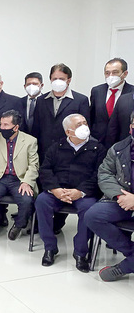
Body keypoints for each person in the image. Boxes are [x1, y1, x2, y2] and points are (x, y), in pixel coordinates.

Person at [35, 114, 105, 271]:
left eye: (85, 123)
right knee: (41, 201)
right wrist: (55, 189)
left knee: (89, 209)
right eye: (79, 125)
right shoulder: (56, 147)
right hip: (58, 190)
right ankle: (50, 247)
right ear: (68, 132)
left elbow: (100, 174)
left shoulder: (98, 148)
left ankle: (80, 253)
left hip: (83, 193)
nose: (84, 127)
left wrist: (80, 191)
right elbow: (45, 170)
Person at [84, 111, 134, 282]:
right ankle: (131, 254)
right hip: (121, 199)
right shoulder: (118, 148)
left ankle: (126, 266)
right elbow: (105, 173)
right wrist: (120, 196)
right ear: (130, 127)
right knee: (92, 215)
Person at [0, 110, 38, 240]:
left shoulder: (30, 141)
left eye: (6, 125)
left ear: (16, 127)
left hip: (19, 179)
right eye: (1, 124)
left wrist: (27, 182)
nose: (2, 128)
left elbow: (34, 165)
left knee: (27, 200)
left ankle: (19, 225)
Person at [31, 63, 90, 163]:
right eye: (55, 79)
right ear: (50, 79)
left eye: (61, 79)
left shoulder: (80, 100)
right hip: (44, 150)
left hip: (69, 151)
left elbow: (85, 129)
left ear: (69, 80)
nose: (58, 82)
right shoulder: (41, 100)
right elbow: (36, 127)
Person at [95, 58, 131, 147]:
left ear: (125, 74)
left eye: (115, 72)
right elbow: (92, 116)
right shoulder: (97, 91)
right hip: (99, 142)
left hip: (123, 143)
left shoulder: (132, 92)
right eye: (107, 73)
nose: (110, 76)